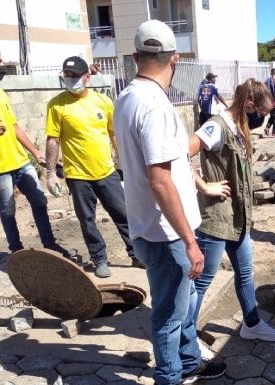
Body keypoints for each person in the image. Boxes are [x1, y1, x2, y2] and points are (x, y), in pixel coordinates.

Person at [113, 20, 226, 385]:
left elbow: (168, 162)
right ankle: (169, 376)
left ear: (135, 57)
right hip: (166, 234)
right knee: (168, 313)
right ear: (174, 58)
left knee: (181, 300)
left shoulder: (127, 97)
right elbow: (160, 181)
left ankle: (190, 361)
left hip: (148, 225)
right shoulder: (154, 105)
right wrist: (191, 242)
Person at [189, 78, 275, 354]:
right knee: (204, 280)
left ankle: (251, 324)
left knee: (245, 273)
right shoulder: (216, 126)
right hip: (216, 217)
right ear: (249, 105)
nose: (263, 120)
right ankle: (187, 337)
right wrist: (205, 185)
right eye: (262, 114)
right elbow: (181, 154)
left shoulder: (240, 126)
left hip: (238, 216)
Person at [0, 44, 69, 257]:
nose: (2, 66)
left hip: (21, 161)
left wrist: (35, 152)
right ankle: (16, 252)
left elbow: (14, 126)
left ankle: (49, 245)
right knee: (8, 210)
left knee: (39, 201)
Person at [44, 56, 139, 279]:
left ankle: (136, 253)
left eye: (75, 76)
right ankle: (99, 259)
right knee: (87, 220)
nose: (70, 80)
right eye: (67, 76)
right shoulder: (57, 105)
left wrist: (124, 161)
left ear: (87, 77)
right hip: (77, 176)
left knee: (123, 214)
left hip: (106, 172)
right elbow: (52, 140)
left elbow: (114, 134)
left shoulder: (102, 102)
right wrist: (50, 174)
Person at [264, 68, 275, 138]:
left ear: (271, 73)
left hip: (269, 102)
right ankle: (274, 132)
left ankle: (267, 127)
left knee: (272, 116)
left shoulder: (267, 81)